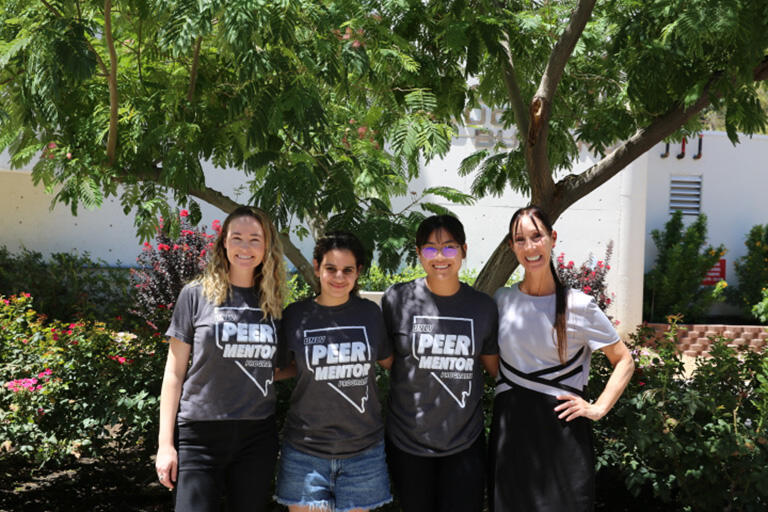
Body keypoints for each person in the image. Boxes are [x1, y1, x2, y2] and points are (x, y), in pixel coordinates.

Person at [489, 205, 635, 512]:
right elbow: (494, 362)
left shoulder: (580, 306)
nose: (530, 247)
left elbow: (624, 360)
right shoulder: (502, 300)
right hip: (511, 434)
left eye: (536, 236)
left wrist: (597, 408)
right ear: (511, 246)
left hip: (562, 436)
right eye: (520, 239)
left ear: (552, 238)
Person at [154, 206, 286, 512]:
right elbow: (174, 374)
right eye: (237, 237)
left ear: (267, 247)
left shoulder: (273, 302)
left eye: (255, 239)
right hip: (200, 434)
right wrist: (165, 445)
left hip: (257, 434)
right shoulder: (195, 295)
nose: (245, 247)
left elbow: (268, 367)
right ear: (223, 243)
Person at [382, 214, 499, 512]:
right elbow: (388, 361)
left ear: (463, 250)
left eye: (449, 247)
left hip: (464, 443)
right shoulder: (397, 300)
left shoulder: (482, 307)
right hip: (407, 442)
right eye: (430, 249)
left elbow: (495, 368)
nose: (440, 257)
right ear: (419, 253)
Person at [275, 231, 393, 512]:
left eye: (347, 270)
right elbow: (288, 368)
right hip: (305, 451)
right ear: (317, 267)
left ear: (358, 272)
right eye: (331, 268)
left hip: (363, 451)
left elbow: (391, 362)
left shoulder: (370, 314)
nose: (339, 277)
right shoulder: (295, 315)